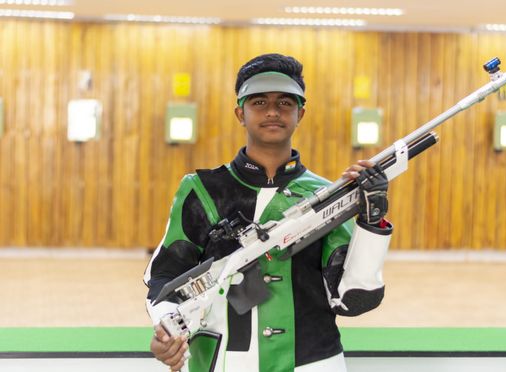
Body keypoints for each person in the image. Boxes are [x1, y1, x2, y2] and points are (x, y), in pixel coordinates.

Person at [144, 53, 392, 372]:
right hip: (221, 362)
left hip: (313, 363)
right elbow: (165, 274)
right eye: (259, 102)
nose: (273, 111)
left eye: (285, 102)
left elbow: (353, 300)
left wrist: (371, 224)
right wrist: (168, 331)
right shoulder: (202, 188)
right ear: (240, 113)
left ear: (301, 113)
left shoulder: (327, 196)